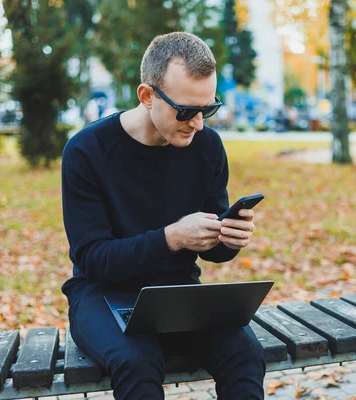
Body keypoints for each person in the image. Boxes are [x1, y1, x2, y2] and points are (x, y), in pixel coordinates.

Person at [60, 32, 265, 399]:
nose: (198, 123)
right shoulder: (87, 151)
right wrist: (171, 238)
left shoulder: (207, 148)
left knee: (245, 355)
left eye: (208, 109)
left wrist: (228, 238)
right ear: (147, 95)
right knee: (137, 362)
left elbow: (211, 252)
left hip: (179, 296)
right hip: (102, 295)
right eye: (186, 111)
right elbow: (92, 260)